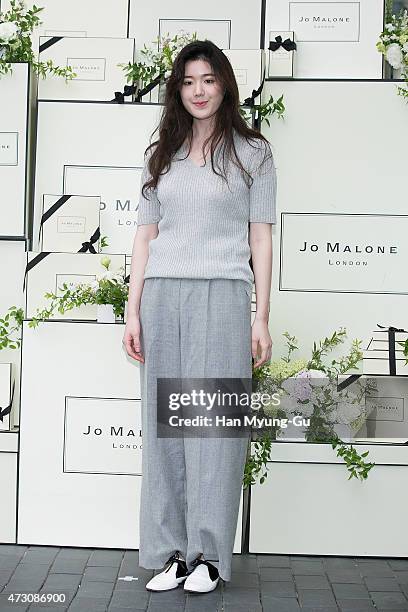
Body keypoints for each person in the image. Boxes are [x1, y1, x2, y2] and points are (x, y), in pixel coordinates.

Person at [122, 39, 277, 594]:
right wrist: (132, 309)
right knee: (164, 431)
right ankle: (170, 554)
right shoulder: (161, 152)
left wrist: (261, 316)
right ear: (177, 89)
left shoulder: (252, 153)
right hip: (163, 294)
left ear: (225, 84)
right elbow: (145, 236)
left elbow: (261, 236)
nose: (199, 91)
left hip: (224, 294)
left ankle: (209, 556)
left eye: (208, 79)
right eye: (188, 82)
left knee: (212, 428)